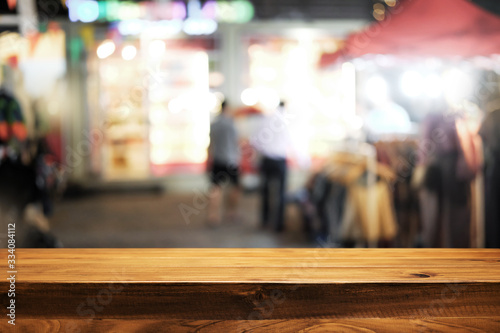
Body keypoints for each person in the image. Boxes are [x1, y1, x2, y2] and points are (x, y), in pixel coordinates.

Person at [251, 101, 307, 232]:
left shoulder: (266, 120)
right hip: (280, 161)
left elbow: (255, 141)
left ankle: (264, 221)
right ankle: (279, 224)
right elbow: (294, 145)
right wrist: (302, 162)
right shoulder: (287, 123)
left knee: (265, 192)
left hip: (266, 160)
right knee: (281, 193)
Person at [206, 100, 241, 226]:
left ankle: (213, 216)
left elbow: (210, 144)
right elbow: (237, 143)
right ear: (227, 108)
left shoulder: (214, 124)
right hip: (231, 160)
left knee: (216, 188)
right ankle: (231, 212)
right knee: (235, 187)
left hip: (217, 160)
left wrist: (208, 159)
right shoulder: (232, 125)